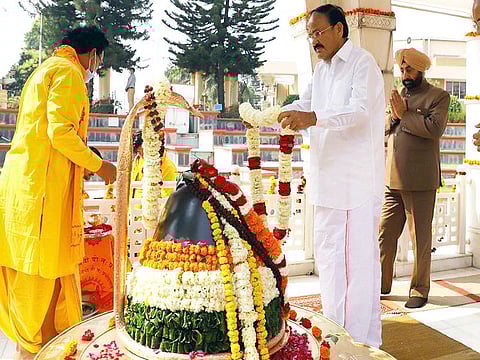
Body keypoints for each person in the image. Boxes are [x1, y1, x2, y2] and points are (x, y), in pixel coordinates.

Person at [0, 25, 116, 359]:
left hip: (27, 188)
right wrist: (100, 166)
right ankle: (33, 349)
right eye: (99, 59)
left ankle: (36, 346)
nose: (97, 66)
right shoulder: (69, 74)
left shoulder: (45, 69)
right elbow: (61, 132)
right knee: (41, 273)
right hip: (41, 195)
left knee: (37, 273)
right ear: (92, 54)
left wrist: (88, 154)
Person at [277, 4, 385, 348]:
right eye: (310, 35)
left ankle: (360, 344)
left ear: (340, 29)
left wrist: (312, 117)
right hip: (326, 182)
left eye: (318, 32)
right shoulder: (320, 72)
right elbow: (305, 105)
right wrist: (280, 114)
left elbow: (359, 111)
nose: (314, 41)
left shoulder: (362, 63)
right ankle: (335, 336)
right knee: (330, 263)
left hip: (355, 184)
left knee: (357, 269)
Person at [379, 48, 450, 309]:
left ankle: (419, 289)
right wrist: (394, 115)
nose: (404, 74)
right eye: (402, 69)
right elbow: (385, 127)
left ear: (421, 70)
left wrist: (403, 115)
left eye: (409, 70)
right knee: (385, 234)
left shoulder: (438, 96)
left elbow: (434, 128)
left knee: (419, 239)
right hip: (392, 180)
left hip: (420, 181)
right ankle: (381, 283)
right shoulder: (400, 96)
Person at [131, 130, 177, 199]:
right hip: (132, 207)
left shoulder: (168, 167)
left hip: (152, 207)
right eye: (138, 151)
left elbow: (165, 198)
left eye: (143, 150)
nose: (142, 155)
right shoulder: (138, 160)